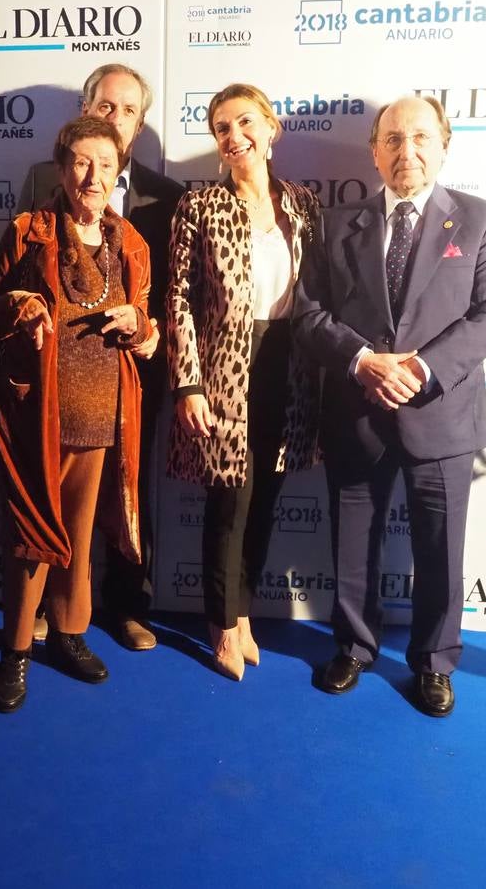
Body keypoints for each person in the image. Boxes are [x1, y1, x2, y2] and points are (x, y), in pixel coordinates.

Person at [294, 95, 486, 716]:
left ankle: (435, 662)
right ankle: (355, 647)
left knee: (440, 550)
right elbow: (310, 315)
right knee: (352, 541)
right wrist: (363, 361)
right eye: (392, 139)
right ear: (373, 150)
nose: (404, 152)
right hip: (358, 411)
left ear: (444, 145)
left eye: (419, 138)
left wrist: (418, 369)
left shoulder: (478, 219)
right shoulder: (337, 224)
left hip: (442, 415)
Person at [0, 116, 155, 712]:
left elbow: (148, 331)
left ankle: (70, 635)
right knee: (31, 538)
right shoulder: (29, 231)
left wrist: (138, 323)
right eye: (81, 162)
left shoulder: (131, 243)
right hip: (36, 416)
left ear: (118, 172)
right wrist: (20, 303)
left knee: (78, 538)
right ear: (61, 169)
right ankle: (15, 653)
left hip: (103, 416)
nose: (92, 175)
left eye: (105, 164)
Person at [17, 64, 183, 651]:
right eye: (104, 106)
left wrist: (146, 332)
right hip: (56, 372)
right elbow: (21, 272)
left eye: (128, 110)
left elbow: (172, 292)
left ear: (140, 123)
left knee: (128, 493)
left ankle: (127, 606)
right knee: (55, 495)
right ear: (84, 111)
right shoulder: (41, 181)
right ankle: (47, 610)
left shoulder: (167, 197)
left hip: (134, 368)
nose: (114, 118)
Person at [168, 84, 321, 681]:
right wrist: (189, 383)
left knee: (267, 500)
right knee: (229, 500)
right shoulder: (199, 206)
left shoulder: (304, 204)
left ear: (272, 128)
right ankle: (221, 624)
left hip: (292, 364)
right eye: (222, 128)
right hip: (225, 365)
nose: (236, 137)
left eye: (246, 123)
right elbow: (178, 297)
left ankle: (245, 612)